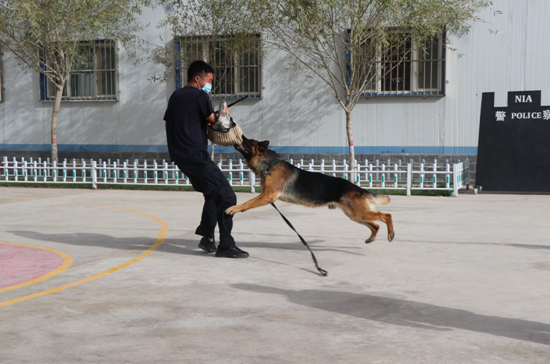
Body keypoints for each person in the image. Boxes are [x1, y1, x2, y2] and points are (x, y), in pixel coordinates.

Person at [164, 60, 249, 258]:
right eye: (209, 80)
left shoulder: (175, 96)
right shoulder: (199, 95)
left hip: (181, 157)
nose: (210, 84)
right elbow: (215, 122)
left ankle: (207, 238)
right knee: (228, 197)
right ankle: (226, 245)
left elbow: (180, 120)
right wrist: (223, 116)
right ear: (197, 78)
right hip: (196, 156)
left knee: (212, 194)